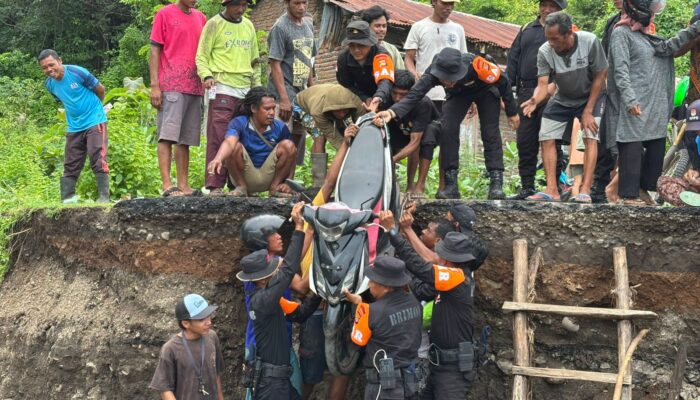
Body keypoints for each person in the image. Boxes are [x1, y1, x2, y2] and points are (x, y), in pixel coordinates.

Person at [374, 48, 520, 200]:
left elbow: (503, 82)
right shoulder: (432, 73)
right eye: (444, 79)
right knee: (447, 129)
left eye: (452, 78)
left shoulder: (478, 65)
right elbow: (414, 95)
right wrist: (391, 113)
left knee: (490, 132)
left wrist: (512, 112)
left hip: (486, 91)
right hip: (458, 95)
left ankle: (496, 183)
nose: (448, 82)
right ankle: (451, 185)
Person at [380, 211, 483, 399]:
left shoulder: (456, 278)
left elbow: (420, 267)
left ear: (448, 259)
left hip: (453, 371)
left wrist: (393, 233)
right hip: (440, 366)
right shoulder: (452, 280)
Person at [607, 1, 700, 205]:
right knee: (632, 146)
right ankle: (628, 195)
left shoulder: (649, 38)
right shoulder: (621, 34)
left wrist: (696, 27)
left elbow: (671, 46)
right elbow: (620, 71)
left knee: (656, 148)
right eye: (651, 13)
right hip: (635, 105)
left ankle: (642, 190)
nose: (653, 17)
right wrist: (630, 99)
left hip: (656, 106)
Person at [236, 202, 322, 400]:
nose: (279, 236)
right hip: (268, 373)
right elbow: (290, 268)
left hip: (280, 367)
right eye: (272, 234)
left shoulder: (269, 289)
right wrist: (300, 229)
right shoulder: (263, 296)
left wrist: (320, 292)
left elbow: (299, 313)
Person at [521, 12, 608, 203]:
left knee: (590, 135)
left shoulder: (589, 42)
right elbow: (543, 84)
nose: (551, 43)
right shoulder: (545, 51)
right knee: (546, 134)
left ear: (569, 33)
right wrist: (535, 100)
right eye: (548, 38)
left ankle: (585, 190)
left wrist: (588, 110)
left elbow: (600, 76)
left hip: (592, 95)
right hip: (563, 97)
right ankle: (552, 189)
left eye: (555, 39)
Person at [196, 0, 260, 195]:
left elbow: (255, 60)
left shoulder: (248, 25)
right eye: (236, 5)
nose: (240, 10)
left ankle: (237, 184)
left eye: (244, 6)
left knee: (244, 137)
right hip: (222, 87)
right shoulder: (214, 24)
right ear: (227, 4)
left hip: (245, 90)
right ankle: (214, 185)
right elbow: (201, 56)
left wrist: (256, 89)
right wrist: (206, 76)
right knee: (219, 135)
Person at [506, 0, 567, 200]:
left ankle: (553, 186)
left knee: (551, 140)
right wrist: (506, 93)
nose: (547, 9)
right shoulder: (526, 29)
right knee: (525, 140)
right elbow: (513, 60)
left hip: (553, 90)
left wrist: (555, 85)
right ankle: (527, 187)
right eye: (544, 4)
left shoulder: (565, 30)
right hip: (525, 90)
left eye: (553, 6)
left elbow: (569, 63)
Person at [149, 0, 207, 197]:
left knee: (186, 139)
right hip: (171, 84)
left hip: (195, 86)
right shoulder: (164, 14)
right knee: (167, 135)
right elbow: (154, 50)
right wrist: (155, 85)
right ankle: (167, 184)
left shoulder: (201, 18)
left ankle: (184, 185)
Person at [343, 257, 422, 400]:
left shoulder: (372, 311)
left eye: (373, 281)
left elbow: (357, 342)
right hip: (411, 382)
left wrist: (359, 306)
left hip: (385, 387)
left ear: (386, 286)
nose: (370, 284)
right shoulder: (414, 302)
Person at [39, 49, 110, 204]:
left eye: (51, 65)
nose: (49, 70)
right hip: (74, 126)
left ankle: (104, 197)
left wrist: (96, 109)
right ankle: (67, 199)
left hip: (94, 120)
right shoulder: (50, 85)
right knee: (71, 162)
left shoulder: (77, 72)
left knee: (97, 156)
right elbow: (65, 100)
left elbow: (100, 89)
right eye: (44, 68)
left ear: (60, 61)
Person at [206, 87, 297, 197]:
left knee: (289, 145)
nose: (272, 113)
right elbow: (229, 142)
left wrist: (289, 182)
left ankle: (274, 189)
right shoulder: (239, 123)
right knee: (235, 146)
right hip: (244, 176)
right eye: (267, 109)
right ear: (254, 108)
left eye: (273, 108)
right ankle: (241, 187)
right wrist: (218, 159)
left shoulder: (280, 127)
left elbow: (292, 156)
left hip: (270, 177)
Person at [267, 0, 316, 171]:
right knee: (283, 141)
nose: (301, 7)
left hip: (301, 96)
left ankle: (289, 184)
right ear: (287, 3)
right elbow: (275, 64)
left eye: (304, 3)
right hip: (283, 94)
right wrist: (284, 99)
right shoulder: (280, 27)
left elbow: (309, 61)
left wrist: (312, 92)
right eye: (296, 3)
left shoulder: (308, 26)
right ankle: (275, 185)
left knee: (297, 140)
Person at [149, 293, 224, 400]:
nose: (209, 322)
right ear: (185, 323)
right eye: (201, 319)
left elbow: (216, 375)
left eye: (208, 316)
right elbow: (165, 390)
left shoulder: (212, 337)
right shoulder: (170, 349)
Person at [294, 83, 365, 187]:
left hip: (325, 106)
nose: (342, 114)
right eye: (338, 111)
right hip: (300, 106)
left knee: (349, 132)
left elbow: (363, 124)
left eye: (345, 110)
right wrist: (352, 155)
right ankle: (318, 183)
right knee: (320, 136)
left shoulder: (356, 103)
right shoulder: (317, 111)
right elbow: (334, 137)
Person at [403, 0, 467, 112]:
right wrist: (415, 75)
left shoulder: (458, 29)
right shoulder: (419, 27)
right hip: (425, 93)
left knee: (447, 128)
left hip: (451, 94)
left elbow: (464, 61)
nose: (448, 7)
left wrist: (467, 94)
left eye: (451, 4)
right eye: (445, 3)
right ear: (434, 2)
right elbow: (408, 58)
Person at [384, 70, 441, 196]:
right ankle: (392, 184)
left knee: (422, 143)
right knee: (389, 142)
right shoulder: (386, 99)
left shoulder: (422, 103)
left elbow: (415, 143)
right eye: (395, 93)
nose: (398, 98)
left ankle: (417, 186)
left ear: (412, 93)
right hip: (403, 127)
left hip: (427, 130)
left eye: (403, 95)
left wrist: (392, 160)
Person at [590, 0, 624, 204]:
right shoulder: (612, 22)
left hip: (629, 91)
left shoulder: (645, 21)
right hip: (610, 90)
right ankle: (599, 186)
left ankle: (624, 188)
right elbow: (603, 58)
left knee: (626, 143)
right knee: (604, 138)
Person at [336, 20, 394, 113]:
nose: (356, 50)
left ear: (370, 44)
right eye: (352, 46)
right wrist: (364, 98)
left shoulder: (381, 55)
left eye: (361, 45)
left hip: (385, 99)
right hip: (358, 100)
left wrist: (378, 97)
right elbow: (346, 85)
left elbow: (385, 81)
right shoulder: (343, 58)